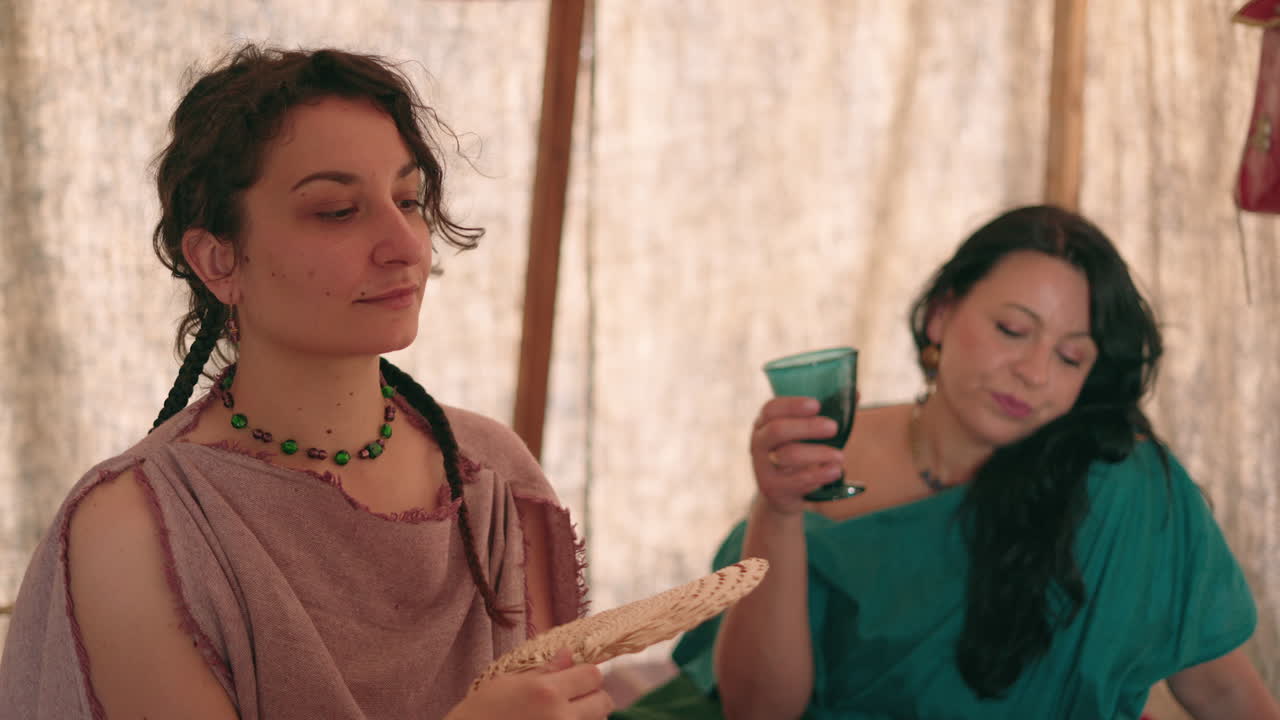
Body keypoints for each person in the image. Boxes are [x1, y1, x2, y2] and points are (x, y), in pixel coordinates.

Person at [0, 45, 613, 720]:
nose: (405, 244)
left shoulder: (492, 475)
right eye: (336, 211)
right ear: (218, 260)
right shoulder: (138, 529)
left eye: (408, 200)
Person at [617, 205, 1280, 719]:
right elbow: (758, 710)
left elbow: (1223, 693)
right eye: (1013, 330)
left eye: (1071, 356)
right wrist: (779, 509)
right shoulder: (821, 460)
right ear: (940, 315)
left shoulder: (1124, 492)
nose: (1032, 372)